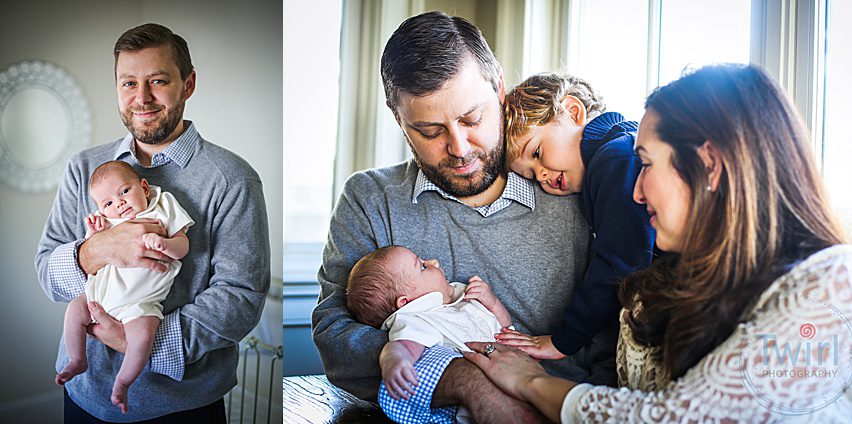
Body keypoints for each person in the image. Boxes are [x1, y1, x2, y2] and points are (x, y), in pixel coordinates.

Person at [458, 64, 852, 422]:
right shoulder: (689, 281)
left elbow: (673, 417)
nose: (635, 192)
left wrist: (533, 383)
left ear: (707, 164)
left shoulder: (843, 282)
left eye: (646, 164)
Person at [312, 11, 602, 423]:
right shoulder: (369, 198)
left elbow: (613, 336)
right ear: (400, 122)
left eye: (472, 118)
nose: (460, 147)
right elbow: (336, 339)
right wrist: (468, 381)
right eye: (431, 131)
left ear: (499, 86)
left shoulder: (572, 186)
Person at [35, 23, 270, 421]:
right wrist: (98, 250)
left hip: (183, 406)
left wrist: (138, 342)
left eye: (158, 80)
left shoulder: (232, 179)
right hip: (83, 397)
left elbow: (241, 296)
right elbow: (46, 270)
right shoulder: (84, 170)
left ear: (188, 84)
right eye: (128, 83)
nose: (141, 98)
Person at [495, 72, 654, 360]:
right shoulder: (617, 149)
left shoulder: (615, 160)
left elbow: (620, 262)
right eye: (530, 176)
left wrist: (564, 339)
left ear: (572, 111)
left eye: (537, 152)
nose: (541, 174)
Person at [56, 161, 194, 414]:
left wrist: (165, 245)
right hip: (100, 293)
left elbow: (182, 245)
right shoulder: (109, 220)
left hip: (141, 303)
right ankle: (77, 359)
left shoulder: (163, 206)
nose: (118, 204)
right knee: (75, 309)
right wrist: (92, 234)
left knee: (142, 337)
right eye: (107, 203)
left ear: (144, 188)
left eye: (124, 192)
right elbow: (92, 254)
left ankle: (123, 382)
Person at [344, 245, 516, 422]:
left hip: (520, 375)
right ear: (405, 302)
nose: (433, 262)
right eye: (422, 266)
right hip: (482, 402)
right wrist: (394, 361)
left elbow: (506, 328)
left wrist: (492, 302)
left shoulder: (461, 296)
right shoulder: (416, 318)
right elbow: (403, 345)